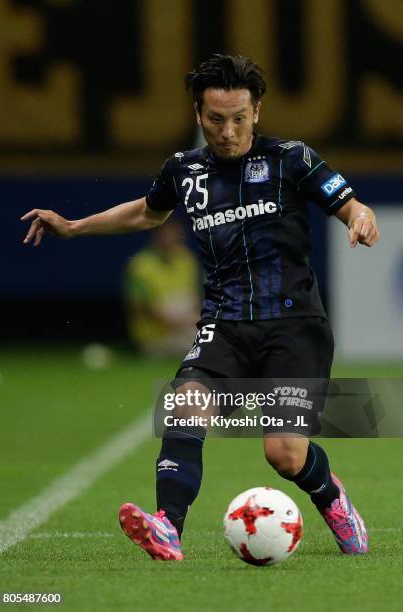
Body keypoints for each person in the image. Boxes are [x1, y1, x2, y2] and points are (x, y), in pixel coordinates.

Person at [22, 54, 379, 561]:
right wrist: (76, 226)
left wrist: (359, 219)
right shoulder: (184, 171)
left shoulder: (291, 159)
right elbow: (147, 212)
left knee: (284, 455)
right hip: (224, 323)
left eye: (238, 118)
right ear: (198, 114)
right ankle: (168, 526)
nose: (228, 131)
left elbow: (350, 203)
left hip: (294, 326)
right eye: (216, 119)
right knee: (184, 402)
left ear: (257, 111)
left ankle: (332, 498)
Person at [124, 218, 200, 356]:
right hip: (154, 336)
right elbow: (139, 307)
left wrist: (191, 319)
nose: (171, 236)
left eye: (174, 232)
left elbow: (196, 297)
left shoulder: (186, 259)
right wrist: (174, 322)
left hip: (186, 326)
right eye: (166, 232)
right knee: (202, 348)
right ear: (156, 235)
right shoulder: (140, 265)